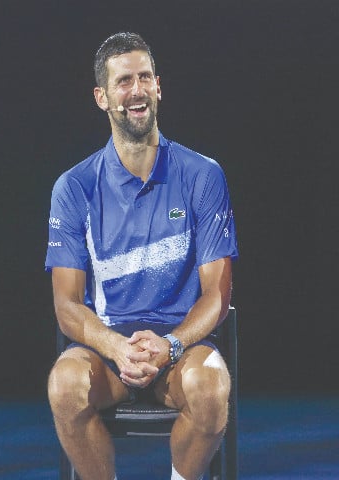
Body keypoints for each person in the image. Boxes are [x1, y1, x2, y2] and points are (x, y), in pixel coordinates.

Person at [45, 32, 238, 480]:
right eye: (124, 81)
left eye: (145, 78)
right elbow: (66, 304)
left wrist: (171, 345)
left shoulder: (203, 176)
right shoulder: (73, 188)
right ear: (102, 97)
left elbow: (218, 294)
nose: (137, 91)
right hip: (108, 354)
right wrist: (116, 347)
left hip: (180, 350)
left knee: (211, 389)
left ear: (158, 87)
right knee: (64, 385)